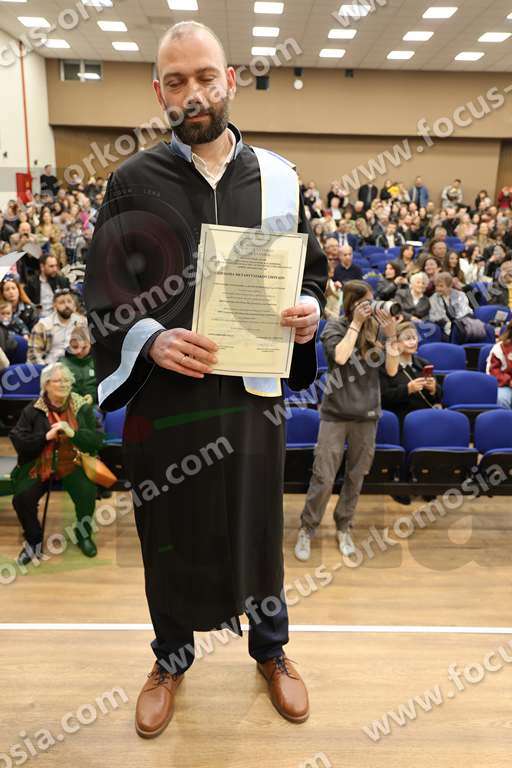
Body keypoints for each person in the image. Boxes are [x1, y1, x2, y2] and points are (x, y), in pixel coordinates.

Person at [84, 21, 326, 737]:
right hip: (168, 401)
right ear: (158, 91)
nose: (193, 93)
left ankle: (271, 650)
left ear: (231, 80)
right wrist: (150, 339)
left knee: (258, 527)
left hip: (252, 399)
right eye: (177, 81)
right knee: (168, 530)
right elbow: (104, 291)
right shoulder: (132, 181)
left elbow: (311, 274)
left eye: (205, 77)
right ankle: (170, 656)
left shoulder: (278, 180)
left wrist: (310, 309)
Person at [294, 281, 399, 561]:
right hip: (335, 414)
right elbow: (340, 357)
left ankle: (344, 526)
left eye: (371, 301)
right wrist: (356, 323)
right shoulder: (334, 327)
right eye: (364, 302)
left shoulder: (377, 329)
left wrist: (392, 336)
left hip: (367, 415)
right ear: (351, 303)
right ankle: (307, 528)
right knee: (324, 476)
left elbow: (391, 370)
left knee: (356, 476)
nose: (370, 307)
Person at [9, 362, 103, 565]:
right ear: (46, 384)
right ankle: (33, 540)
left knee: (87, 492)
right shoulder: (33, 410)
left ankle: (83, 534)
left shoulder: (81, 407)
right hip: (40, 464)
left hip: (74, 462)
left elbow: (97, 440)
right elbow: (20, 441)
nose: (64, 384)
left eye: (67, 380)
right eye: (58, 381)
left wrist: (73, 433)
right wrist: (46, 437)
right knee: (22, 498)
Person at [380, 321, 442, 425]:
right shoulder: (385, 366)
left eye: (414, 338)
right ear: (396, 343)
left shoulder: (423, 363)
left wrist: (433, 389)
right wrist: (408, 389)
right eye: (407, 339)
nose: (412, 342)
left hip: (426, 417)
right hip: (401, 419)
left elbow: (439, 396)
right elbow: (382, 397)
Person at [28, 289, 86, 365]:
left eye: (69, 301)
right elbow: (33, 355)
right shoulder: (43, 325)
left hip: (77, 364)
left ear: (74, 305)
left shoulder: (82, 322)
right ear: (54, 306)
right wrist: (46, 369)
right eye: (62, 302)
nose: (67, 305)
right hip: (52, 366)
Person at [428, 272, 473, 339]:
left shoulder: (460, 295)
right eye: (436, 286)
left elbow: (465, 311)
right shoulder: (433, 298)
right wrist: (448, 324)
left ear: (450, 286)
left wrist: (456, 324)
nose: (438, 289)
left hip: (463, 325)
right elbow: (433, 316)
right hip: (445, 328)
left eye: (441, 286)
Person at [59, 325, 98, 404]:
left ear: (90, 345)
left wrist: (93, 397)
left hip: (95, 405)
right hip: (68, 405)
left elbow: (105, 389)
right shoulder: (61, 364)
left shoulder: (98, 362)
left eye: (84, 348)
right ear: (69, 345)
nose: (79, 351)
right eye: (75, 347)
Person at [25, 254, 71, 319]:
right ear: (42, 267)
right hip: (38, 318)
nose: (55, 269)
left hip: (58, 317)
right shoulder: (32, 283)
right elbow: (27, 301)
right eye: (51, 266)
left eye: (56, 266)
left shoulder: (62, 281)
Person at [487, 320, 512, 408]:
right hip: (505, 385)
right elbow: (493, 372)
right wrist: (509, 380)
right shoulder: (499, 348)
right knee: (501, 399)